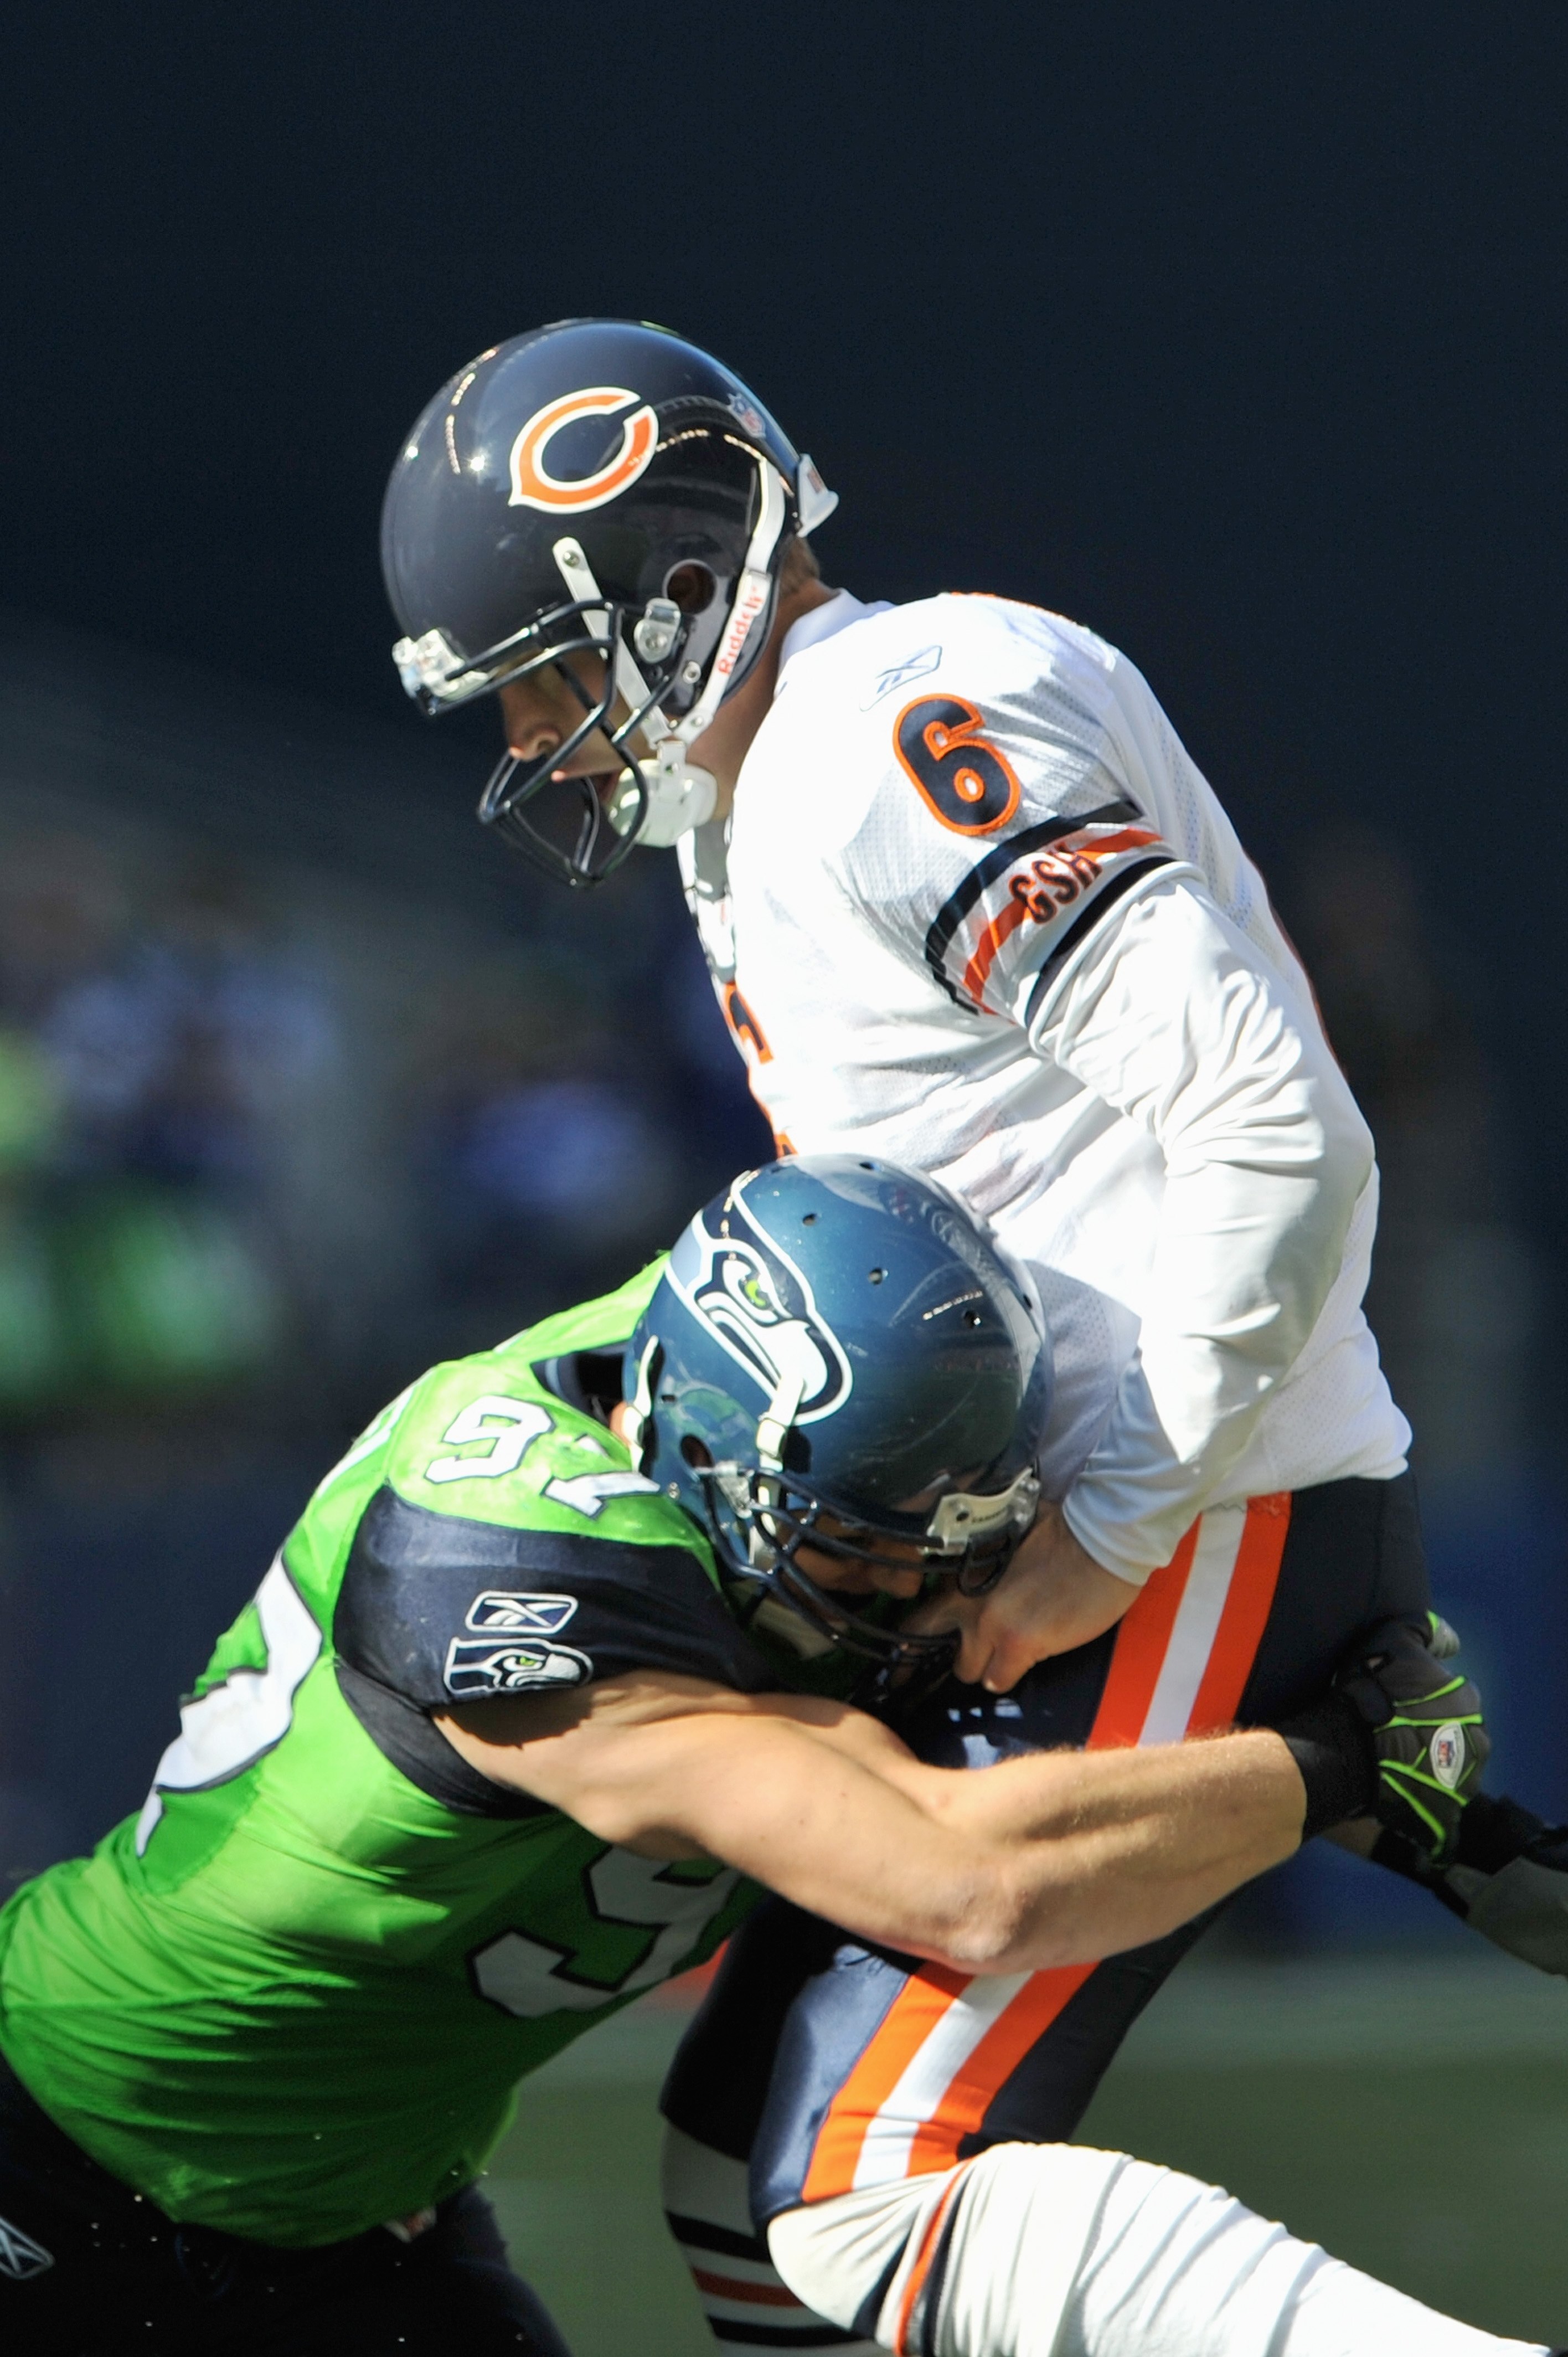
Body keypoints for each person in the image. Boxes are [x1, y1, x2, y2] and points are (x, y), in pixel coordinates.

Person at [378, 323, 1568, 2356]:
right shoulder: (792, 778)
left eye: (565, 678)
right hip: (1094, 1515)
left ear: (686, 591)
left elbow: (1279, 1121)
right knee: (748, 2196)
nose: (556, 741)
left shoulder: (892, 723)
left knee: (855, 2195)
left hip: (1190, 1508)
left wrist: (1112, 1514)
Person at [1, 1154, 1478, 2357]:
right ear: (704, 1452)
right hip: (57, 2152)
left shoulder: (766, 1361)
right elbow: (969, 1882)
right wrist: (1337, 1764)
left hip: (347, 2218)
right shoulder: (516, 1590)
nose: (919, 1601)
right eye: (858, 1553)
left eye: (947, 1548)